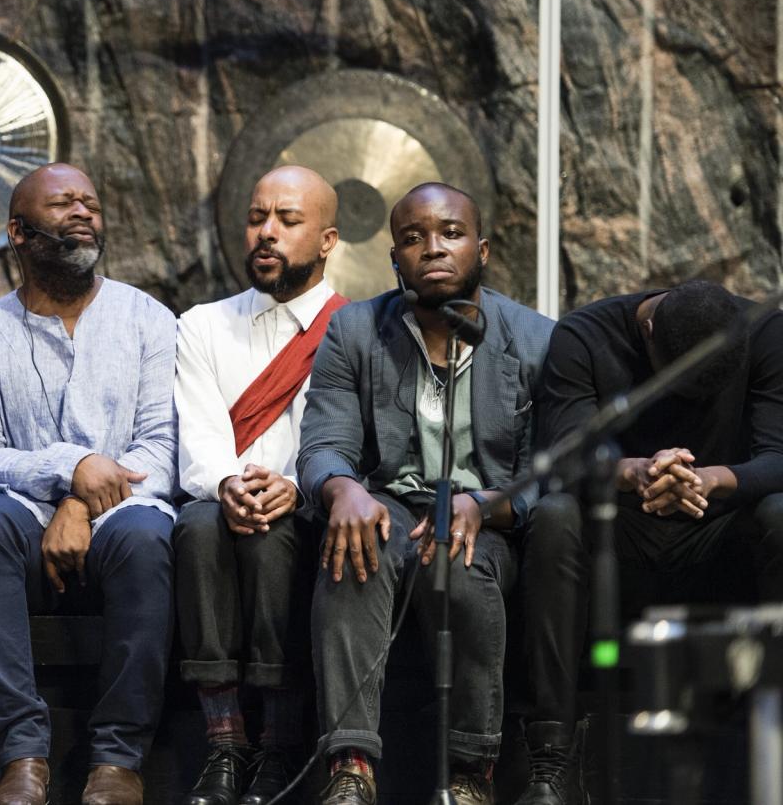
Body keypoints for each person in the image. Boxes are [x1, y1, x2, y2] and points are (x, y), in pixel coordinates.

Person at [297, 183, 554, 805]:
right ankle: (350, 768)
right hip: (386, 505)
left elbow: (549, 467)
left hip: (482, 517)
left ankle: (472, 774)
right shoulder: (354, 331)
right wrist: (341, 490)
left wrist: (489, 505)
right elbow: (323, 442)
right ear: (394, 258)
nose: (432, 249)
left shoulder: (536, 338)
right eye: (412, 239)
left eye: (450, 234)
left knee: (460, 574)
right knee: (352, 551)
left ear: (482, 248)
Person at [0, 163, 176, 805]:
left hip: (122, 513)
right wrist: (65, 466)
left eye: (91, 204)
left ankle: (117, 760)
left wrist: (80, 501)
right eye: (64, 204)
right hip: (19, 521)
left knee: (148, 534)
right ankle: (20, 757)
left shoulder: (148, 321)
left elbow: (163, 449)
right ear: (18, 232)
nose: (83, 213)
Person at [516, 279, 783, 805]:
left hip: (718, 522)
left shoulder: (767, 332)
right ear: (649, 331)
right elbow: (561, 458)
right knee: (553, 516)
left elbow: (778, 454)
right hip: (620, 524)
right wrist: (632, 472)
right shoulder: (585, 335)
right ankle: (551, 759)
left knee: (782, 513)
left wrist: (711, 478)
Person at [173, 166, 343, 805]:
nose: (266, 234)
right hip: (220, 502)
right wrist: (226, 484)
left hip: (302, 504)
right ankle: (223, 740)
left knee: (277, 540)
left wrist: (296, 487)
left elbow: (344, 440)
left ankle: (277, 743)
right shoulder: (201, 325)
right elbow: (199, 432)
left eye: (288, 221)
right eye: (257, 218)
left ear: (327, 240)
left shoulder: (354, 331)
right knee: (193, 526)